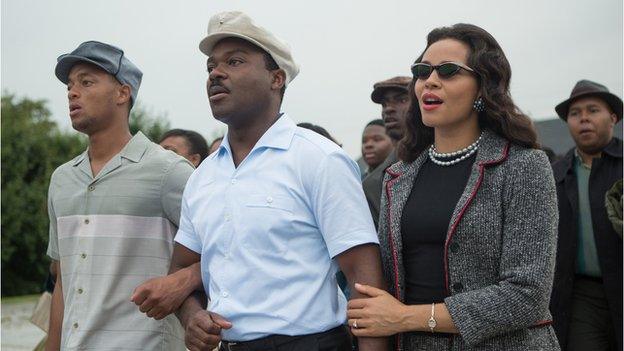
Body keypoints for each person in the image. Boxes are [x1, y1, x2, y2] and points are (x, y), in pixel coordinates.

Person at [136, 11, 388, 351]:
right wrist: (192, 316)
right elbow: (182, 270)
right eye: (210, 67)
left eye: (235, 62)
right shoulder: (204, 177)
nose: (216, 74)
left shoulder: (318, 159)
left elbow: (364, 282)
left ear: (276, 78)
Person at [346, 23, 559, 350]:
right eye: (422, 71)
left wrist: (407, 317)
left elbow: (527, 294)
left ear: (483, 87)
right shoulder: (397, 178)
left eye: (448, 71)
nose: (430, 80)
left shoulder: (524, 166)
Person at [45, 41, 193, 350]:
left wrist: (183, 282)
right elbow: (62, 281)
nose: (72, 92)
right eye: (70, 85)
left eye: (86, 82)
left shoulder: (168, 172)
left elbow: (223, 249)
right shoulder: (62, 179)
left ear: (122, 93)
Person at [549, 79, 623, 351]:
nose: (584, 119)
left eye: (593, 110)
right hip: (581, 296)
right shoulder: (557, 174)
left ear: (612, 117)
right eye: (575, 113)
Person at [362, 76, 411, 228]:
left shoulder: (445, 156)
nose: (388, 108)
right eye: (384, 104)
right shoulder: (374, 183)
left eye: (402, 100)